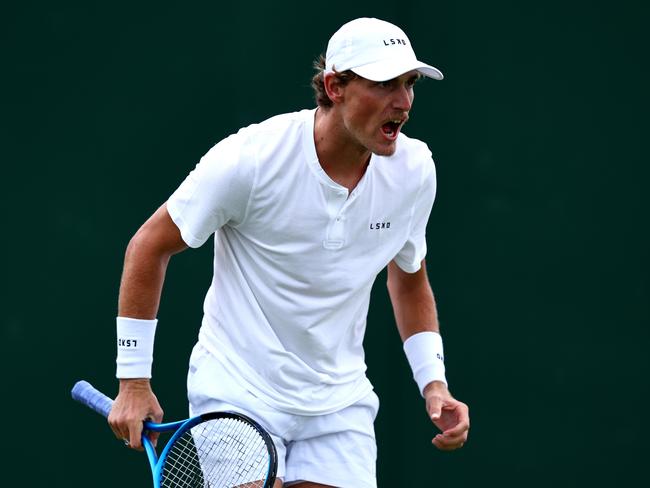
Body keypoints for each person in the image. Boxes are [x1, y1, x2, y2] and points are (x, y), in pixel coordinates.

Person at [108, 17, 470, 488]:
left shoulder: (415, 170)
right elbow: (148, 247)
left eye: (409, 83)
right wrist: (133, 382)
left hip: (340, 404)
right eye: (384, 84)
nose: (402, 103)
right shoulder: (250, 160)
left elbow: (408, 276)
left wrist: (433, 383)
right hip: (237, 392)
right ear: (335, 86)